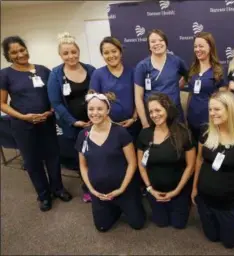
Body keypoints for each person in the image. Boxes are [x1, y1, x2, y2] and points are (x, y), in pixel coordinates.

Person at [0, 36, 72, 212]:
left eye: (22, 49)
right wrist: (24, 117)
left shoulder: (43, 70)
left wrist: (51, 110)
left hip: (47, 122)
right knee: (32, 161)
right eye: (14, 52)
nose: (20, 54)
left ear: (26, 49)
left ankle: (58, 188)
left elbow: (54, 95)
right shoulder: (5, 74)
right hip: (23, 126)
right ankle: (44, 194)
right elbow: (2, 103)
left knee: (53, 156)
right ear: (8, 55)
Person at [191, 91, 234, 249]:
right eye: (210, 109)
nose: (212, 114)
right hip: (205, 199)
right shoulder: (206, 132)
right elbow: (199, 161)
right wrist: (194, 188)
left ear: (230, 109)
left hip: (229, 204)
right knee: (211, 237)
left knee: (230, 243)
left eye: (217, 109)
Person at [75, 90, 146, 232]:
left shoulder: (120, 132)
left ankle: (127, 203)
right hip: (99, 192)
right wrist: (92, 190)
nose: (95, 113)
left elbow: (132, 163)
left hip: (124, 189)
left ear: (108, 110)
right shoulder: (83, 135)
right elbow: (83, 166)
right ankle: (112, 207)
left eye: (100, 109)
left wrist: (121, 189)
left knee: (138, 224)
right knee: (102, 227)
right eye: (91, 109)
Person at [47, 32, 95, 203]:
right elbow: (56, 103)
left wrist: (96, 118)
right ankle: (87, 187)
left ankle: (100, 184)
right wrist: (74, 122)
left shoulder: (90, 69)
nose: (71, 56)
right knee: (81, 157)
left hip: (95, 122)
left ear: (78, 51)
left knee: (98, 155)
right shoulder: (55, 74)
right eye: (66, 53)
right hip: (74, 125)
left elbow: (99, 94)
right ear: (60, 55)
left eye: (73, 52)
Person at [136, 92, 196, 229]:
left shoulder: (183, 133)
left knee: (179, 225)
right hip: (154, 190)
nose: (154, 115)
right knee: (161, 223)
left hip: (179, 190)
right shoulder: (145, 134)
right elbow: (141, 165)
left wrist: (177, 191)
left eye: (158, 110)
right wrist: (150, 189)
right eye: (151, 111)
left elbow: (190, 166)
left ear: (167, 109)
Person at [89, 36, 140, 139]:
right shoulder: (97, 74)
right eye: (106, 53)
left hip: (133, 126)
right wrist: (108, 121)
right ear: (102, 55)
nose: (111, 55)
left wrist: (134, 118)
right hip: (108, 128)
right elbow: (93, 101)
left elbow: (139, 97)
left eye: (114, 51)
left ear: (120, 52)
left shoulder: (133, 72)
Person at [134, 29, 188, 127]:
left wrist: (176, 87)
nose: (157, 43)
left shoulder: (176, 61)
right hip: (154, 115)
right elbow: (138, 97)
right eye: (153, 41)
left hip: (175, 113)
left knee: (180, 140)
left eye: (161, 40)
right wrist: (145, 123)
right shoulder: (142, 66)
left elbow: (188, 75)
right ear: (149, 46)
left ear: (166, 43)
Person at [186, 32, 226, 141]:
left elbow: (224, 100)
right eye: (195, 46)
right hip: (192, 120)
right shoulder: (192, 69)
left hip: (210, 121)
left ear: (210, 47)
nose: (197, 49)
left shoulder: (218, 71)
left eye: (201, 46)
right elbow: (190, 94)